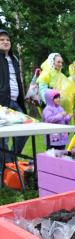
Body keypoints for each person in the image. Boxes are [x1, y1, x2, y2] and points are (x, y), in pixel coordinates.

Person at [0, 29, 28, 162]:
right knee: (2, 138)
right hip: (1, 104)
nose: (5, 42)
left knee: (26, 130)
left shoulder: (14, 59)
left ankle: (10, 160)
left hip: (15, 102)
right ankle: (3, 171)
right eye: (1, 40)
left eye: (7, 40)